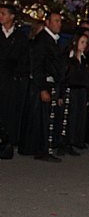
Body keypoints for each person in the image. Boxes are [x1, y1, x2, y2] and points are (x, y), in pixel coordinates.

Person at [18, 11, 65, 162]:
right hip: (41, 84)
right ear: (47, 23)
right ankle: (40, 149)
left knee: (44, 118)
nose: (59, 24)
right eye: (56, 21)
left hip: (48, 82)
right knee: (41, 118)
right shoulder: (42, 40)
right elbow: (36, 66)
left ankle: (41, 147)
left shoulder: (51, 40)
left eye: (60, 21)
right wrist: (43, 88)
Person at [0, 3, 29, 147]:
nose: (0, 16)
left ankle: (5, 141)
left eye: (3, 13)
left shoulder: (20, 37)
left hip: (10, 80)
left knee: (7, 110)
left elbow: (23, 59)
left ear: (11, 17)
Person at [58, 33, 89, 154]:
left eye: (85, 43)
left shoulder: (84, 59)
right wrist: (60, 94)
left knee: (78, 117)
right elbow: (63, 76)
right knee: (68, 117)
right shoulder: (68, 58)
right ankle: (64, 142)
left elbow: (88, 77)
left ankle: (74, 140)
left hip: (81, 91)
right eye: (82, 42)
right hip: (70, 90)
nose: (84, 45)